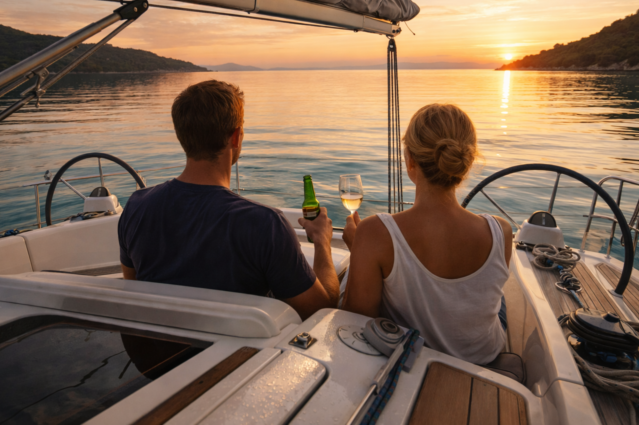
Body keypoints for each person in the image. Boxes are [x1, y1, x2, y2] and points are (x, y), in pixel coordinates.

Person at [118, 80, 339, 320]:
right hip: (240, 356)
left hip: (156, 354)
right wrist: (321, 240)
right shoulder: (265, 225)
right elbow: (320, 311)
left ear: (181, 135)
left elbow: (135, 290)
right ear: (236, 137)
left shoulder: (136, 207)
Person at [341, 103, 512, 365]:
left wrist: (359, 251)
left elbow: (356, 326)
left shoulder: (375, 232)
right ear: (466, 163)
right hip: (485, 358)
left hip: (418, 360)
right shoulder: (501, 231)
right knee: (501, 303)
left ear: (410, 160)